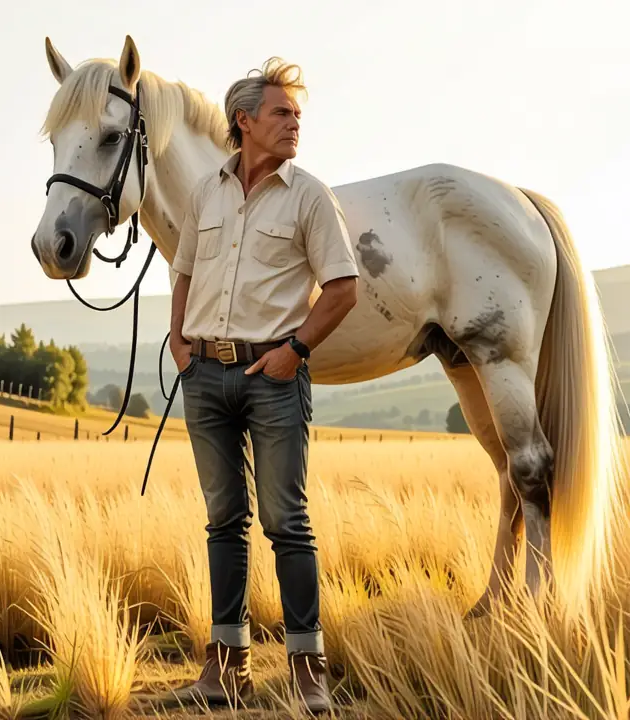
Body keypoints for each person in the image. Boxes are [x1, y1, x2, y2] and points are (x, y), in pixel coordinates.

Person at [167, 57, 360, 714]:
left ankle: (309, 671)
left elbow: (344, 288)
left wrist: (296, 351)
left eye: (298, 115)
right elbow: (184, 269)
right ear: (244, 121)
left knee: (287, 522)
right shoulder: (206, 193)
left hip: (273, 378)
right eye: (282, 113)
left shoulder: (310, 195)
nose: (294, 124)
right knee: (223, 521)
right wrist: (178, 341)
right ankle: (224, 668)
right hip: (205, 376)